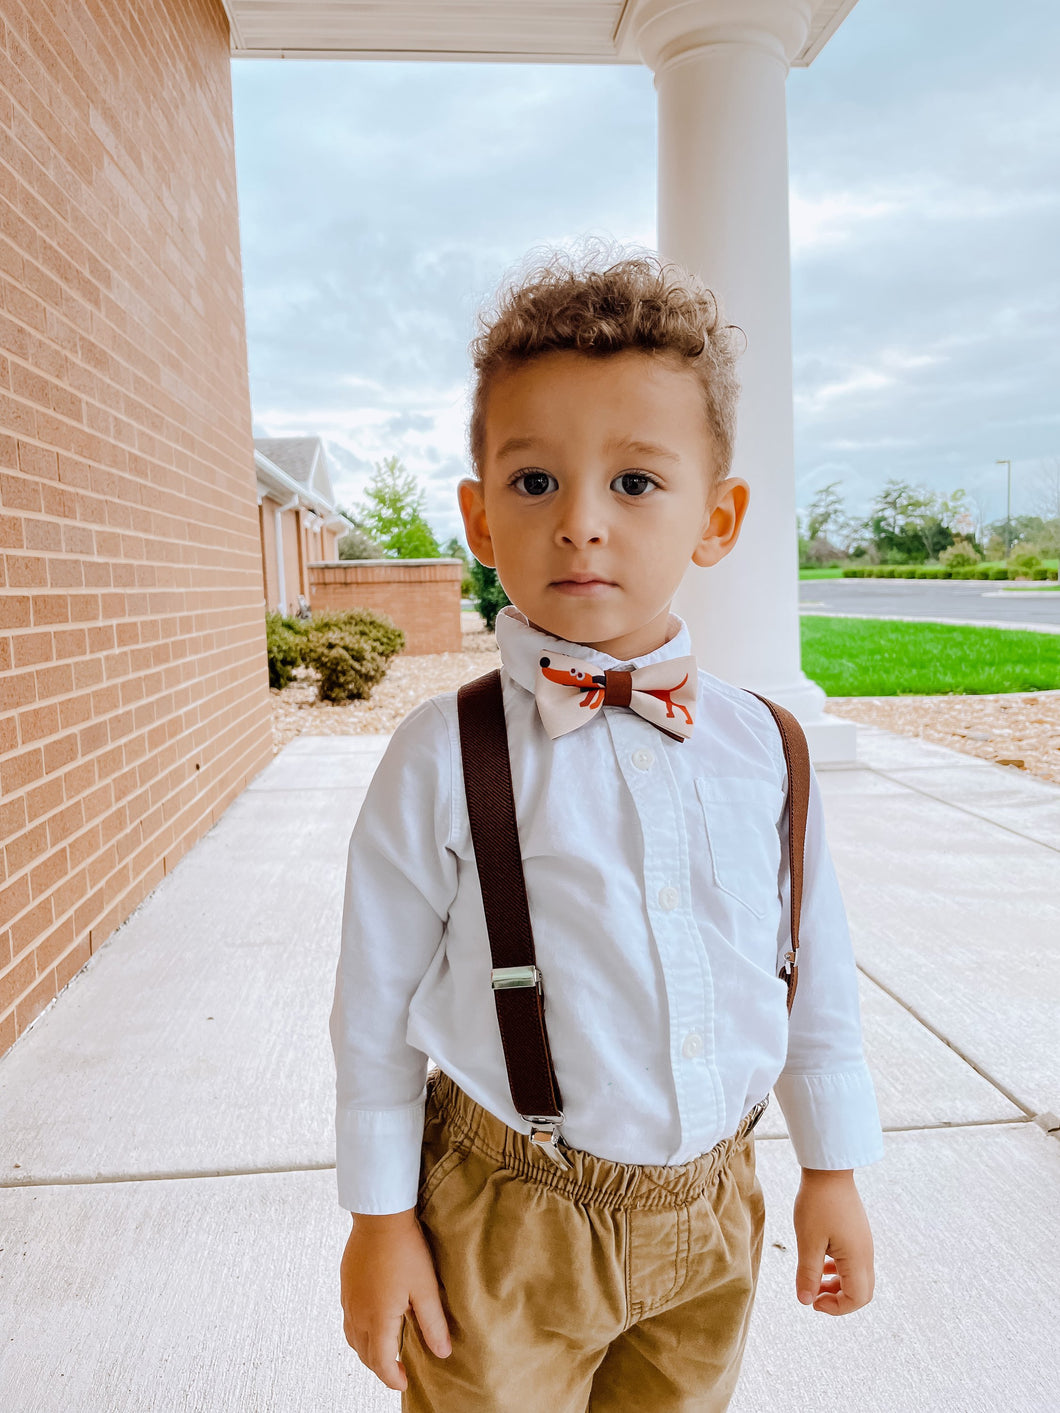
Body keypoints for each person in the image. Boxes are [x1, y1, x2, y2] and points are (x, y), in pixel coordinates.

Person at [330, 243, 885, 1412]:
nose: (582, 522)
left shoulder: (768, 749)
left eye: (635, 482)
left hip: (715, 1209)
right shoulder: (443, 756)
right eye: (535, 483)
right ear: (480, 517)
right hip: (507, 1224)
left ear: (716, 518)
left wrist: (829, 1165)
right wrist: (379, 1216)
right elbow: (374, 1013)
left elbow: (812, 976)